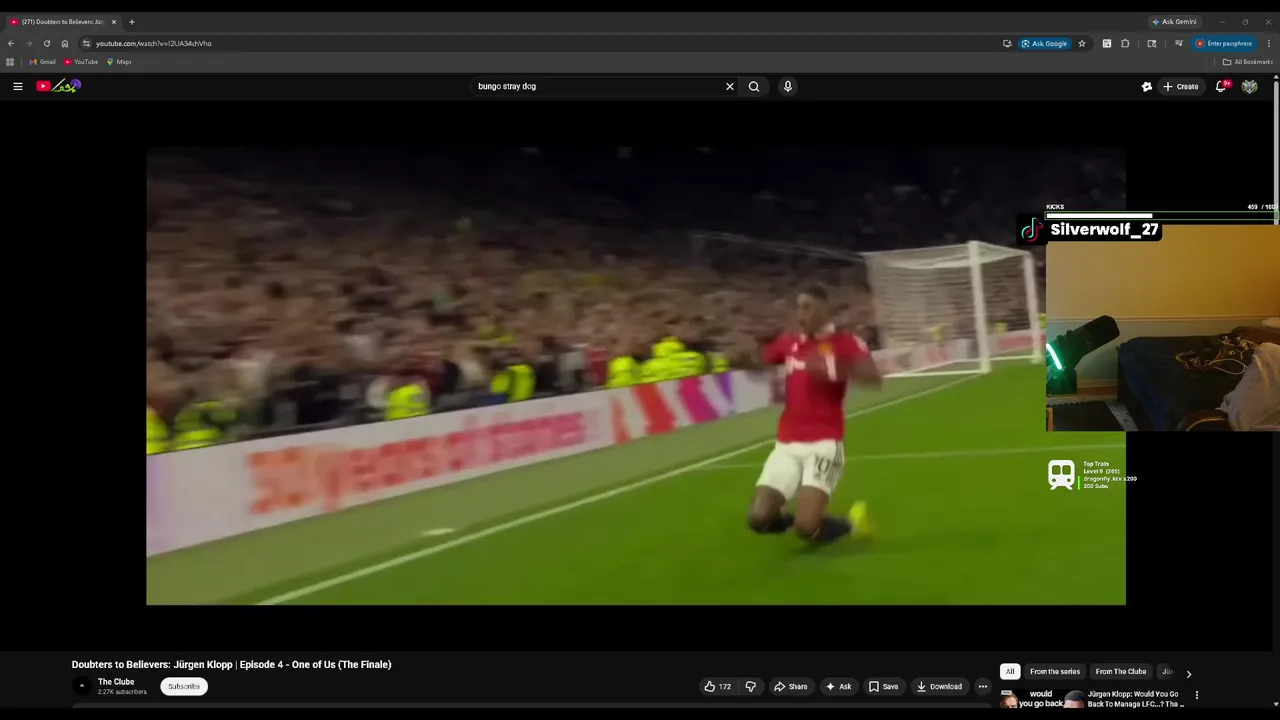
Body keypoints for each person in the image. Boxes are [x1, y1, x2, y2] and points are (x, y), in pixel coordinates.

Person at [747, 285, 882, 544]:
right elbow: (762, 360)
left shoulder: (846, 342)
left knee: (807, 528)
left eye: (807, 307)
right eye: (799, 308)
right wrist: (745, 352)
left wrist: (833, 370)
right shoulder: (790, 341)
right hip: (787, 445)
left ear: (824, 309)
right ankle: (797, 518)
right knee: (758, 518)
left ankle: (852, 524)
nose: (801, 314)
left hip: (824, 445)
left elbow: (874, 379)